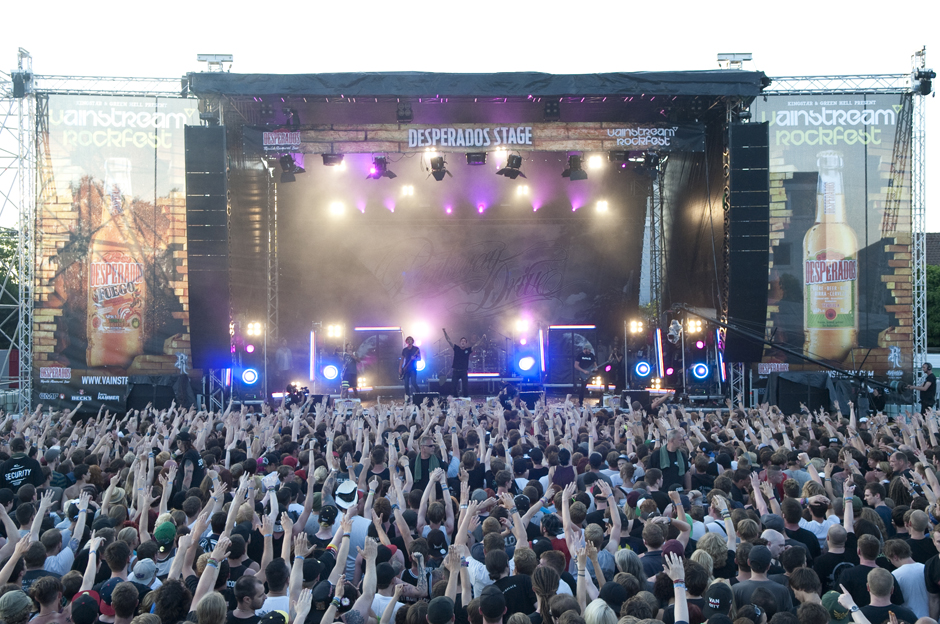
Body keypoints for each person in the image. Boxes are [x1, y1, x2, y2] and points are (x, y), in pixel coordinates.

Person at [443, 330, 486, 398]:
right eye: (462, 341)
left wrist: (482, 338)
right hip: (456, 371)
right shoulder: (456, 348)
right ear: (460, 343)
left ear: (466, 343)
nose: (463, 342)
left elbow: (476, 345)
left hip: (463, 371)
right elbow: (449, 340)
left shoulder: (468, 350)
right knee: (453, 387)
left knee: (465, 388)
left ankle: (466, 400)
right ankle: (456, 399)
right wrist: (445, 332)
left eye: (464, 341)